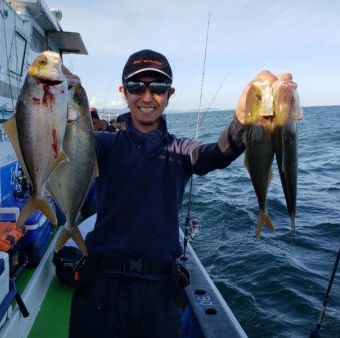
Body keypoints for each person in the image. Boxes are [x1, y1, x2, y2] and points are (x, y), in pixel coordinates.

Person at [69, 49, 277, 337]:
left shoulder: (182, 150)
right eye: (135, 86)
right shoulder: (104, 145)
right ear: (123, 92)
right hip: (101, 284)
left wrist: (243, 119)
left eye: (158, 87)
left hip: (159, 290)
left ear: (169, 94)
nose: (146, 96)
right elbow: (66, 143)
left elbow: (213, 155)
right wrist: (66, 97)